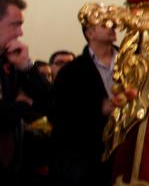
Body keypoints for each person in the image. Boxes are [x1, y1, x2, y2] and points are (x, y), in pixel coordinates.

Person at [50, 21, 118, 185]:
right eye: (105, 24)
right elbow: (60, 115)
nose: (112, 25)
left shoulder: (132, 60)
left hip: (124, 150)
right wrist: (98, 109)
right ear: (90, 33)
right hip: (87, 156)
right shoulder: (71, 71)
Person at [0, 0, 50, 186]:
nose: (20, 33)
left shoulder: (12, 60)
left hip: (11, 166)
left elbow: (48, 103)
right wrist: (23, 104)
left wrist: (27, 66)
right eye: (15, 24)